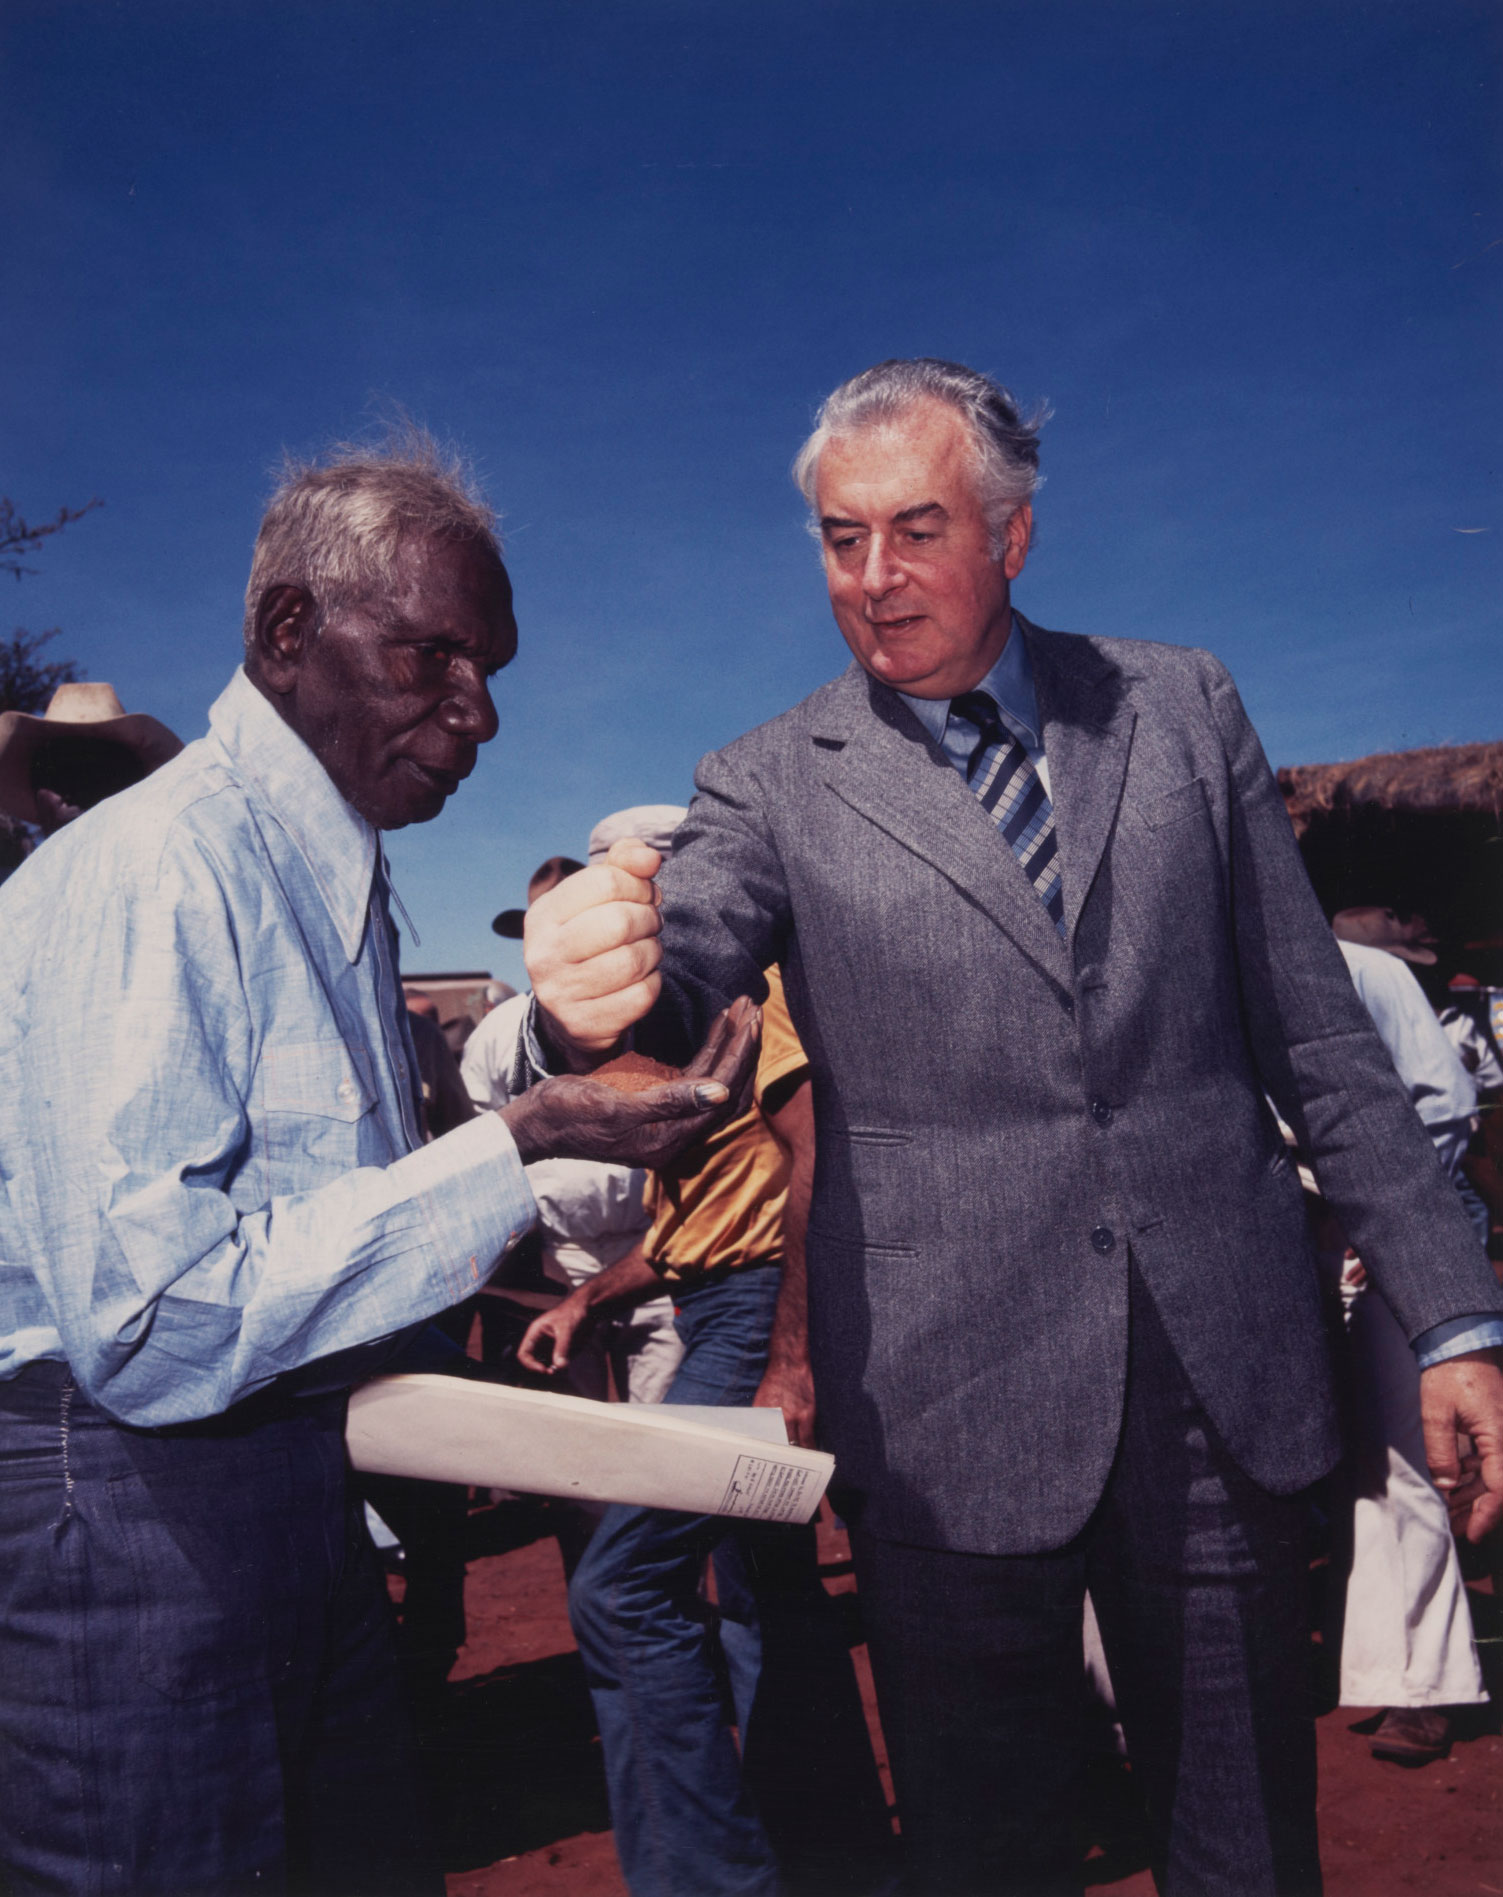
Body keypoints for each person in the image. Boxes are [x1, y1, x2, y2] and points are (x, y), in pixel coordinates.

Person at [523, 358, 1503, 1895]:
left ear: (1012, 535)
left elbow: (1316, 1037)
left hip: (1216, 1379)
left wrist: (1449, 1320)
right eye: (840, 539)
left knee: (1242, 1836)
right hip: (938, 1402)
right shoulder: (767, 780)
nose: (872, 577)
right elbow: (685, 970)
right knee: (990, 1852)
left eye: (914, 528)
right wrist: (592, 995)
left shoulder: (1178, 707)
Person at [0, 435, 757, 1897]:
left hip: (286, 1488)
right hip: (134, 1511)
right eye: (436, 657)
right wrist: (519, 1142)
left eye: (492, 673)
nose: (477, 713)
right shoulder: (163, 868)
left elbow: (322, 1208)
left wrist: (552, 1087)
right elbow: (149, 1319)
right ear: (291, 632)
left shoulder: (324, 877)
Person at [519, 929, 890, 1897]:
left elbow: (812, 1159)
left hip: (758, 1316)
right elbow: (694, 1238)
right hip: (725, 1307)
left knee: (625, 1585)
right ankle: (836, 1860)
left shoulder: (747, 998)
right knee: (763, 1591)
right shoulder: (683, 1034)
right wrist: (584, 1299)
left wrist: (792, 1358)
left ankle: (714, 1880)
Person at [1322, 932, 1489, 1764]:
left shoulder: (1366, 969)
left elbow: (1443, 1100)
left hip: (1375, 1231)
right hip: (1261, 1236)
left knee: (1399, 1459)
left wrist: (1378, 1213)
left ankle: (1421, 1678)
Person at [464, 832, 683, 1410]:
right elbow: (481, 1138)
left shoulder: (655, 1015)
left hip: (652, 1252)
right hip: (560, 1257)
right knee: (580, 1419)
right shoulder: (496, 1031)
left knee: (661, 1420)